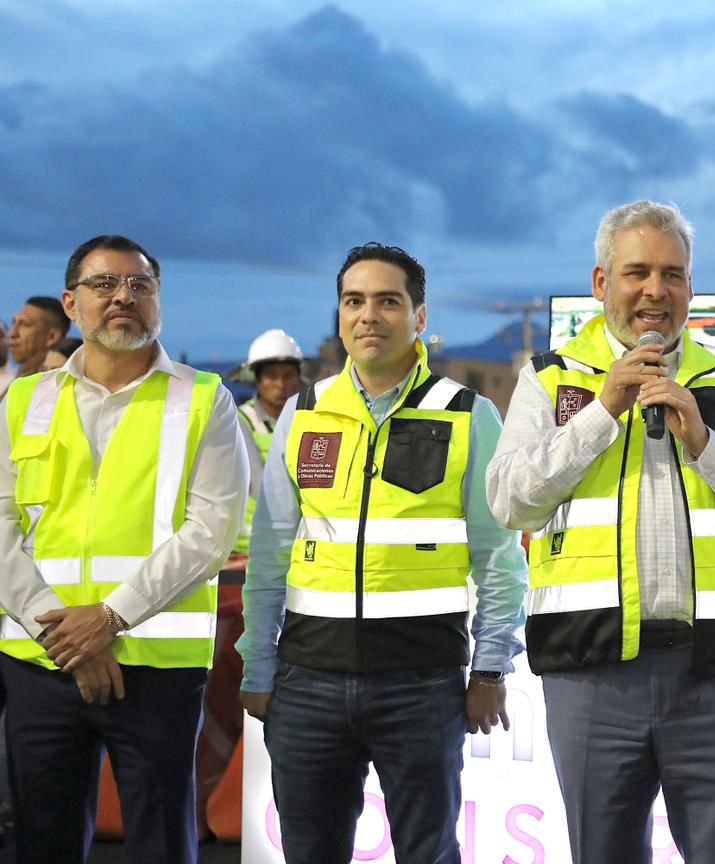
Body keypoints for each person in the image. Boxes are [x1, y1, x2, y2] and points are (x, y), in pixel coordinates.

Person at [487, 200, 715, 864]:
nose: (655, 291)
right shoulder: (551, 380)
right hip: (590, 674)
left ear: (690, 285)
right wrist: (602, 411)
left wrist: (704, 441)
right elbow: (510, 500)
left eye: (673, 274)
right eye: (637, 272)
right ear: (602, 282)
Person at [236, 242, 528, 864]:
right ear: (340, 315)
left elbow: (499, 559)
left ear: (419, 317)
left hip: (422, 685)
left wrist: (491, 668)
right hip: (306, 683)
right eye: (354, 301)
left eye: (387, 301)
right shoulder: (303, 412)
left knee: (428, 853)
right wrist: (258, 666)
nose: (368, 315)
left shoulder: (469, 416)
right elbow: (270, 555)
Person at [0, 235, 250, 864]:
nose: (123, 297)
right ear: (71, 302)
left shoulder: (203, 399)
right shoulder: (23, 401)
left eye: (140, 285)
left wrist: (108, 618)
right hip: (40, 661)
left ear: (158, 301)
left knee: (162, 841)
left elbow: (212, 530)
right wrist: (63, 635)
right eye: (105, 284)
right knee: (41, 840)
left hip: (156, 664)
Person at [233, 328, 304, 556]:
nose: (281, 384)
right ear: (258, 380)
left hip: (297, 545)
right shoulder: (241, 420)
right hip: (249, 548)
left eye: (288, 375)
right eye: (271, 376)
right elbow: (260, 484)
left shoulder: (310, 418)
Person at [8, 296, 72, 378]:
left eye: (25, 324)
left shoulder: (56, 380)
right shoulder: (21, 378)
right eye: (14, 323)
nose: (13, 334)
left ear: (52, 337)